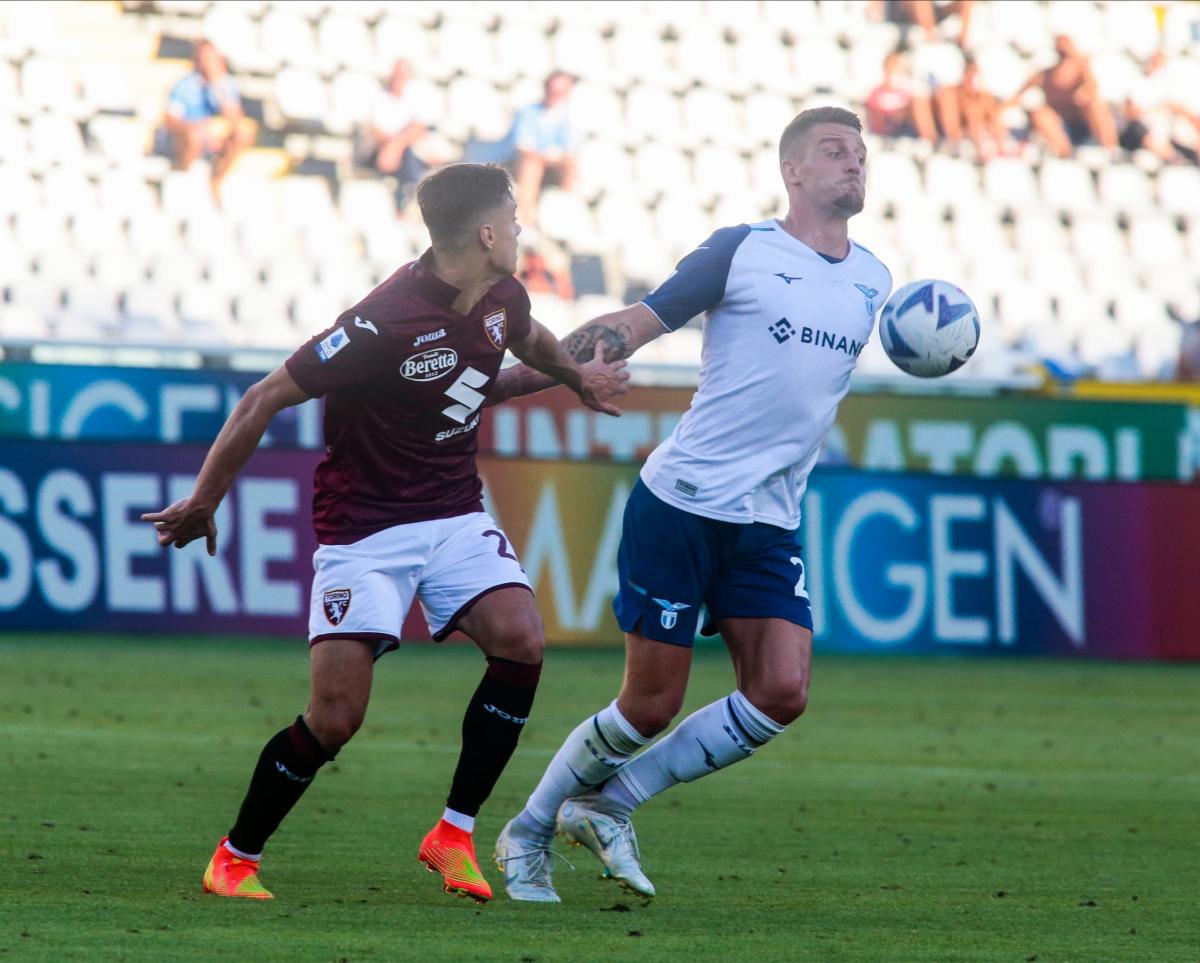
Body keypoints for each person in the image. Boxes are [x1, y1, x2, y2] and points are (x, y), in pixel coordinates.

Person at [141, 163, 629, 904]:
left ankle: (454, 833)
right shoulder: (380, 322)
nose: (524, 230)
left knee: (522, 639)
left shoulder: (504, 293)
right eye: (515, 218)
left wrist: (575, 377)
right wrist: (207, 498)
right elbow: (263, 397)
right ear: (487, 232)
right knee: (337, 717)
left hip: (455, 512)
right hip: (364, 530)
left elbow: (526, 342)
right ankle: (234, 856)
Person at [486, 107, 893, 902]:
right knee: (649, 702)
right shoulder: (741, 251)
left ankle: (609, 801)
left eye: (861, 153)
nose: (853, 163)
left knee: (781, 690)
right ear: (793, 172)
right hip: (682, 503)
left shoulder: (875, 279)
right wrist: (567, 372)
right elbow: (631, 324)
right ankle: (528, 827)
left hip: (770, 520)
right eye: (833, 151)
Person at [164, 39, 256, 193]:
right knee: (195, 136)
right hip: (190, 134)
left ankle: (217, 179)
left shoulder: (224, 85)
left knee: (243, 133)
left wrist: (219, 89)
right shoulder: (185, 85)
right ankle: (184, 179)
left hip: (215, 135)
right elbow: (170, 118)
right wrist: (195, 128)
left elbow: (235, 118)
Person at [1005, 34, 1118, 157]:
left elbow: (1092, 89)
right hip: (1059, 126)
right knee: (1040, 114)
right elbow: (1018, 95)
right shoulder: (1045, 75)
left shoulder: (1082, 70)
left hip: (1082, 124)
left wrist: (1082, 93)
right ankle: (1065, 154)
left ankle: (1111, 151)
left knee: (1097, 106)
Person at [362, 59, 445, 198]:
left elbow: (419, 128)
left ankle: (413, 195)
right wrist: (392, 147)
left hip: (404, 152)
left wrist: (395, 146)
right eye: (397, 75)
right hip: (382, 151)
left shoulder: (416, 97)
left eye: (403, 76)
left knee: (412, 156)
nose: (399, 80)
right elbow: (376, 130)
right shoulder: (379, 97)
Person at [508, 71, 578, 225]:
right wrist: (545, 157)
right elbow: (523, 146)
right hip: (525, 161)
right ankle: (524, 215)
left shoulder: (565, 118)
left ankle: (565, 212)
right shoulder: (528, 113)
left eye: (561, 92)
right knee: (531, 166)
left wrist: (558, 157)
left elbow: (570, 148)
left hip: (552, 163)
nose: (556, 96)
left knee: (571, 166)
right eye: (554, 91)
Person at [865, 49, 937, 142]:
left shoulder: (907, 89)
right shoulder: (877, 91)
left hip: (906, 124)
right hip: (887, 125)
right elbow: (874, 110)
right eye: (895, 65)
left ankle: (930, 140)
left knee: (919, 101)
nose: (898, 69)